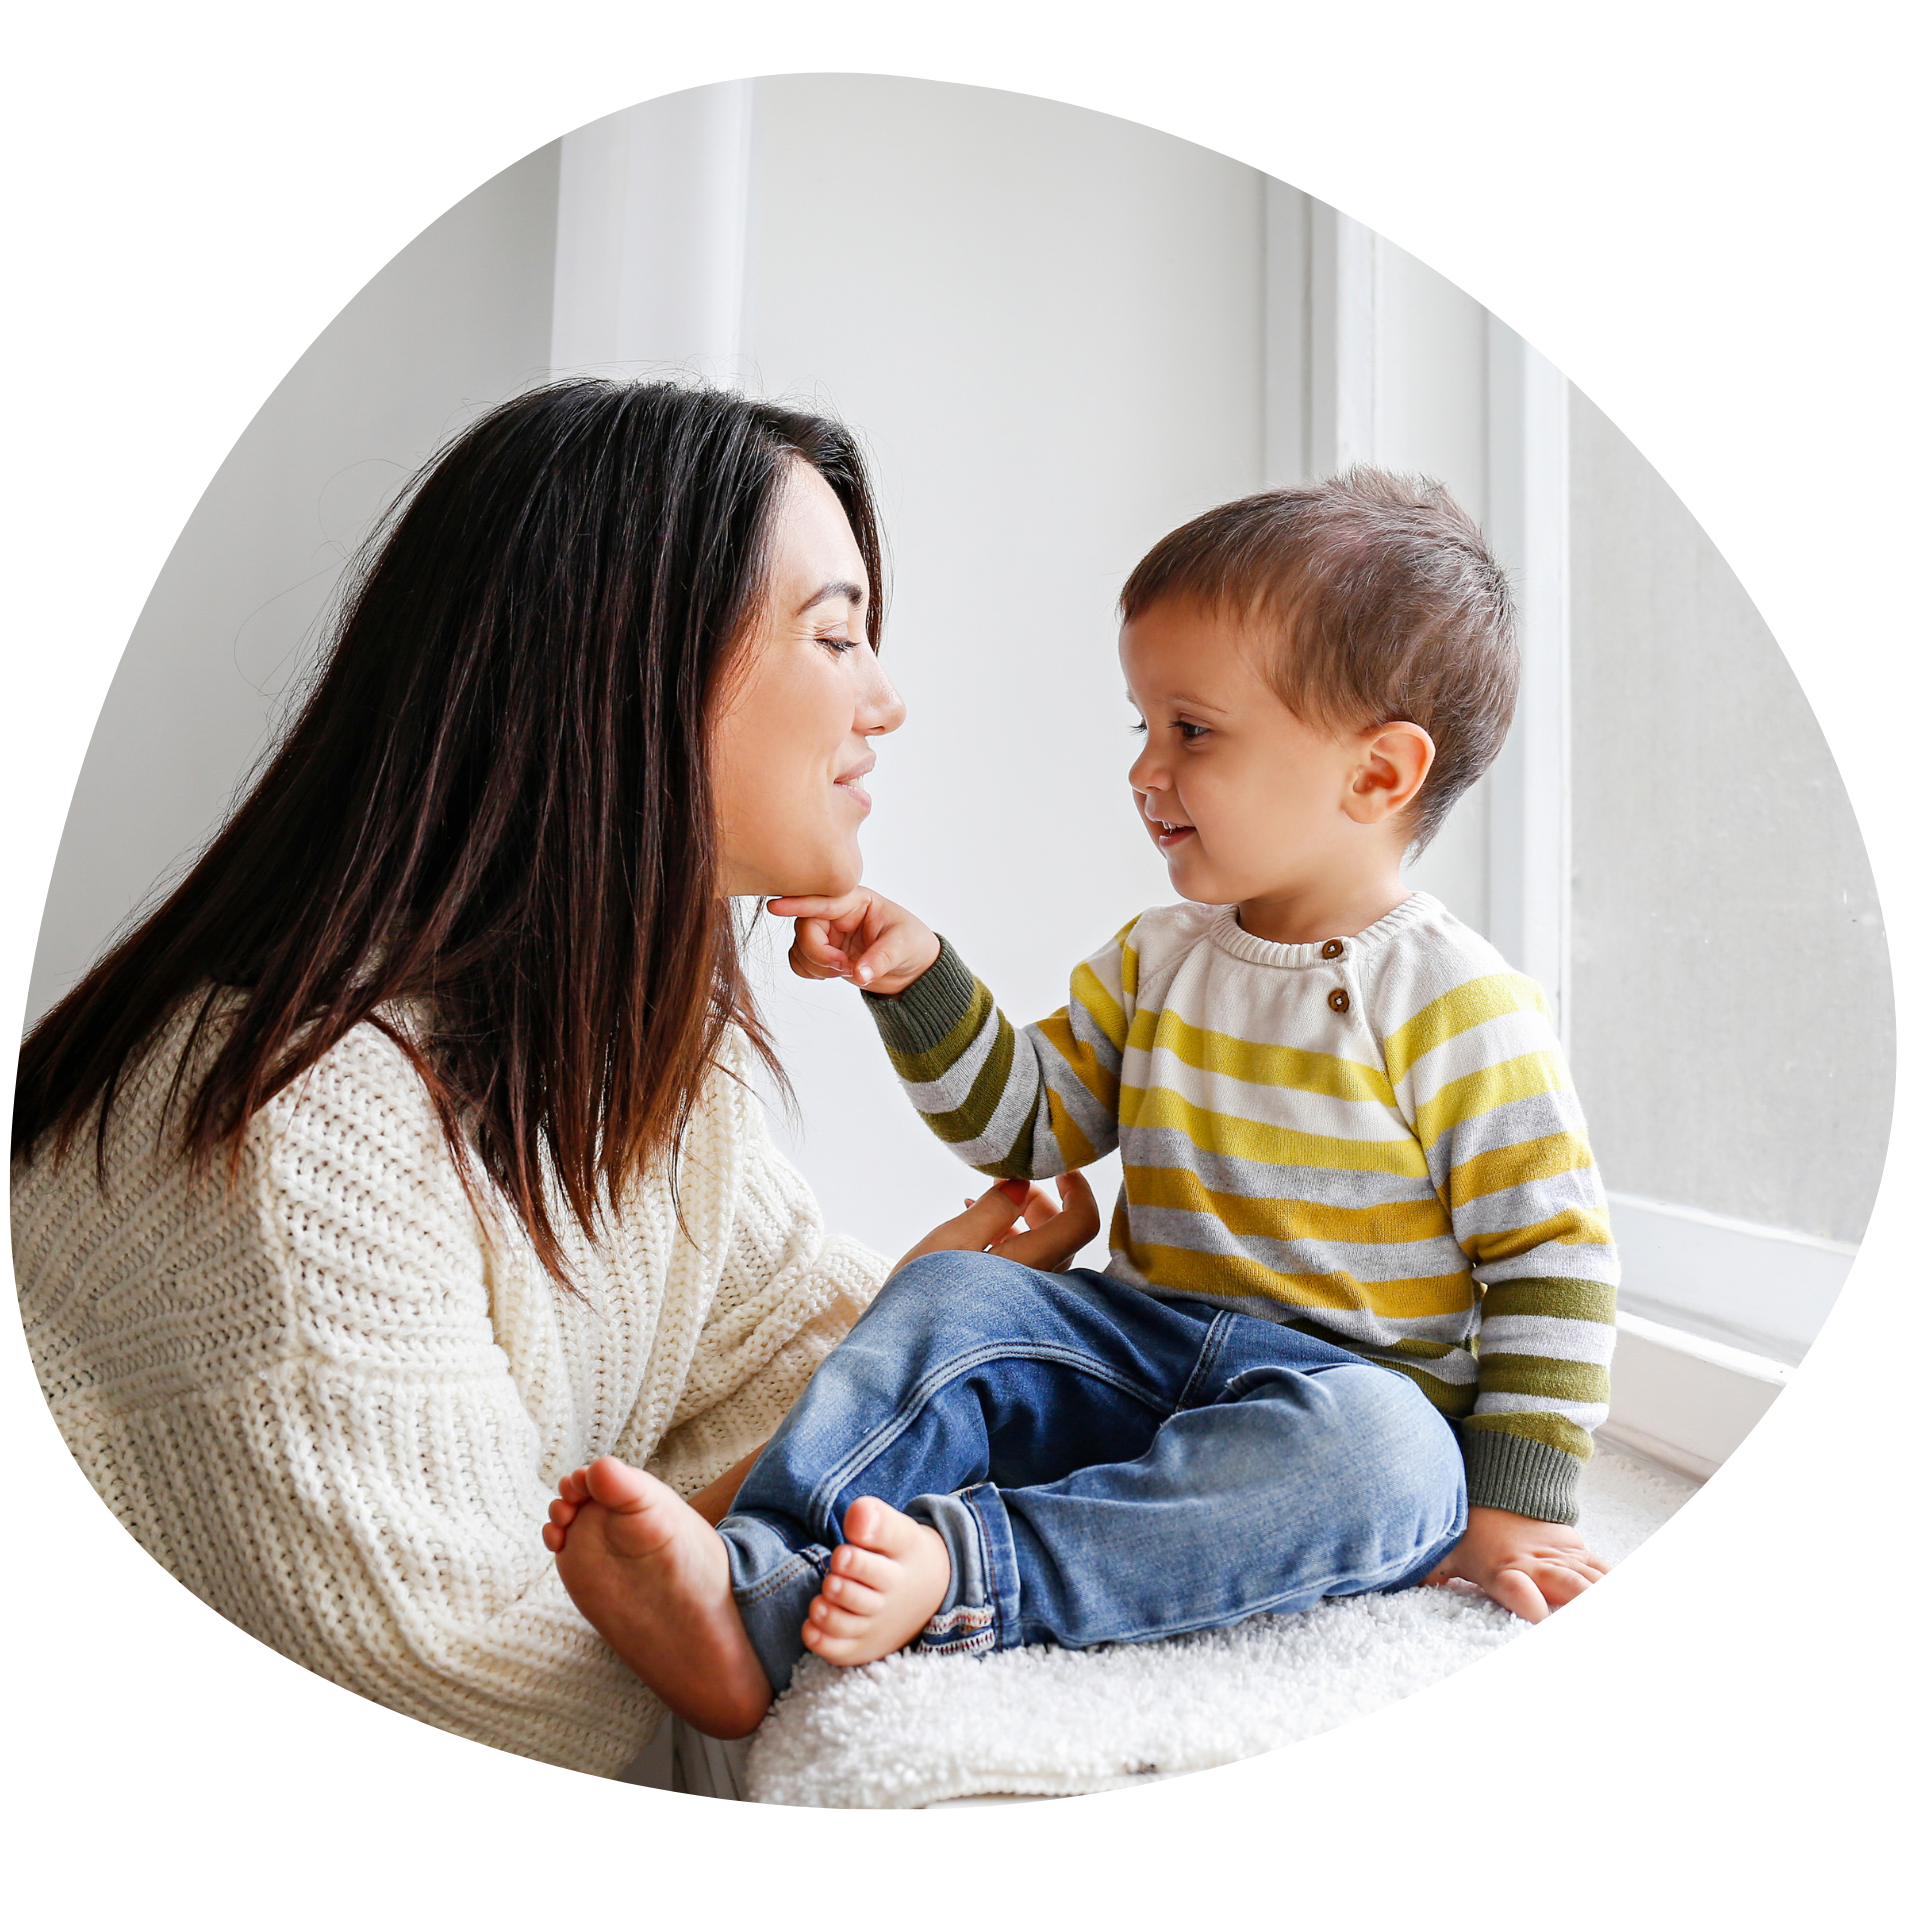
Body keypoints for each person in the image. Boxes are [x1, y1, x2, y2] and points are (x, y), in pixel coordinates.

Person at [12, 378, 1061, 1769]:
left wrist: (932, 1341)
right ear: (628, 669)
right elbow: (493, 1682)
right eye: (836, 635)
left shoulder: (625, 1063)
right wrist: (865, 1414)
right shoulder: (299, 1131)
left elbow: (781, 1363)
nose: (887, 699)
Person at [542, 470, 1617, 1725]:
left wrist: (1510, 1513)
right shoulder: (1158, 960)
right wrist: (920, 981)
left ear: (1377, 775)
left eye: (1192, 731)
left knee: (1390, 1455)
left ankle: (971, 1571)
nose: (1146, 769)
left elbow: (1551, 1261)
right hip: (1137, 1351)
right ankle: (755, 1584)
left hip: (1336, 1402)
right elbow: (1028, 1124)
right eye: (1142, 726)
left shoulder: (1458, 1005)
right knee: (954, 1295)